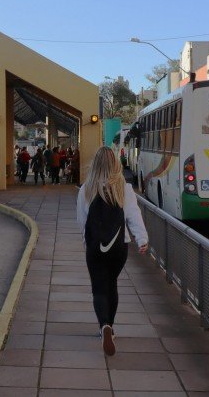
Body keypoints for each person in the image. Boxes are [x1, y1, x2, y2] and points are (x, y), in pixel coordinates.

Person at [76, 146, 148, 356]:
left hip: (95, 247)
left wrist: (87, 243)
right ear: (115, 163)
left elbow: (82, 222)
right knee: (112, 285)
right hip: (119, 248)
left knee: (98, 287)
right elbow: (133, 216)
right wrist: (142, 239)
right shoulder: (123, 188)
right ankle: (111, 327)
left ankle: (104, 326)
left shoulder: (86, 189)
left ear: (95, 164)